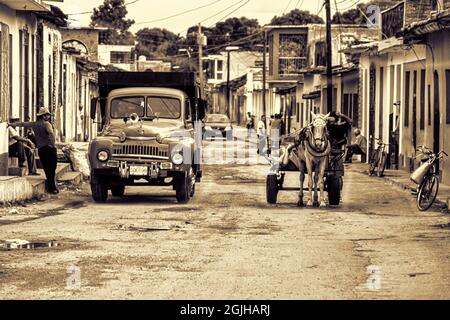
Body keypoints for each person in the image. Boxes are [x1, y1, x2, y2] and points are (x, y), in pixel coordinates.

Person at [10, 107, 58, 194]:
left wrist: (11, 124)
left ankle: (52, 187)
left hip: (41, 150)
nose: (48, 116)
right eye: (47, 115)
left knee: (47, 169)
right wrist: (53, 146)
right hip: (49, 149)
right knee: (52, 169)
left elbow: (22, 124)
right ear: (43, 116)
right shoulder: (47, 124)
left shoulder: (34, 124)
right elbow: (51, 134)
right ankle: (53, 188)